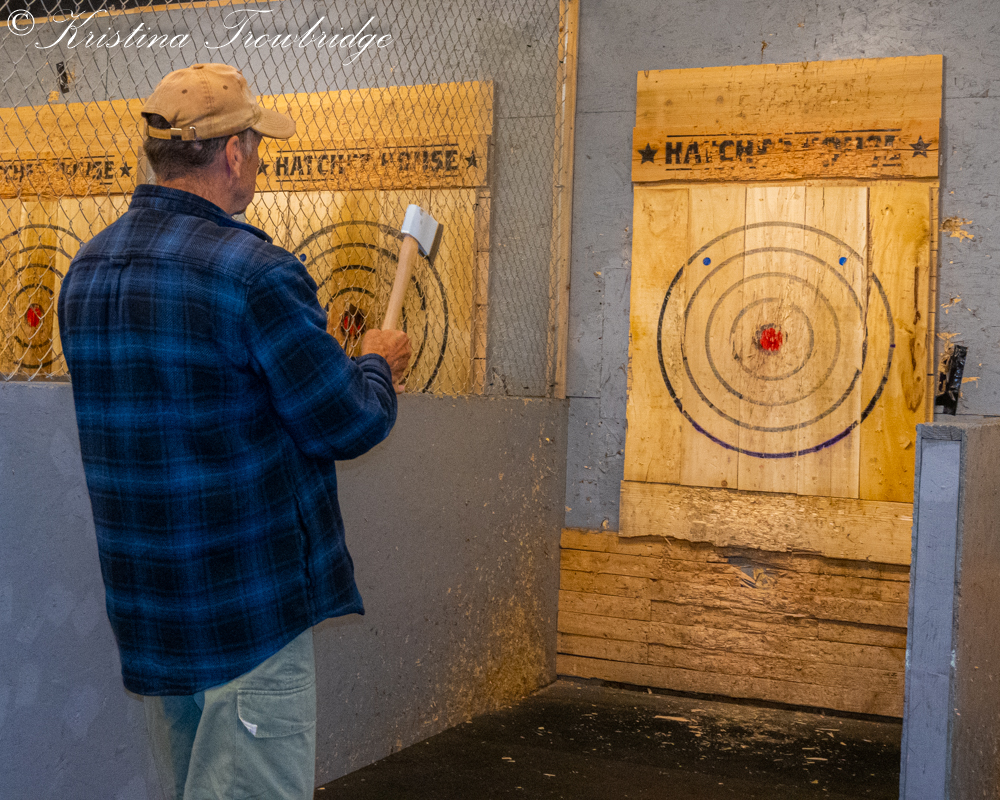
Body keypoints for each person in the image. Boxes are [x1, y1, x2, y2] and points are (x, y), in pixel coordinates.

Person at [57, 63, 411, 799]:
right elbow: (347, 420)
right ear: (232, 154)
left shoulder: (86, 270)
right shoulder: (254, 273)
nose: (257, 159)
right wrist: (376, 364)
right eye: (255, 145)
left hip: (154, 613)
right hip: (247, 614)